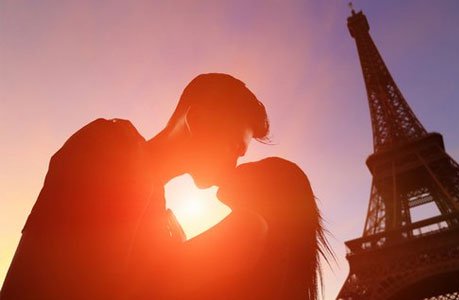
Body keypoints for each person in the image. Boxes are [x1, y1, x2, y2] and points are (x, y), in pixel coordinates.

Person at [0, 73, 269, 300]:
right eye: (235, 147)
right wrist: (207, 255)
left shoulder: (165, 224)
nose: (234, 163)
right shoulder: (110, 145)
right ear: (198, 121)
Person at [169, 157, 332, 300]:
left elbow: (164, 276)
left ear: (269, 187)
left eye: (257, 164)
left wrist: (175, 246)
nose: (240, 165)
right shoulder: (270, 248)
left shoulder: (250, 225)